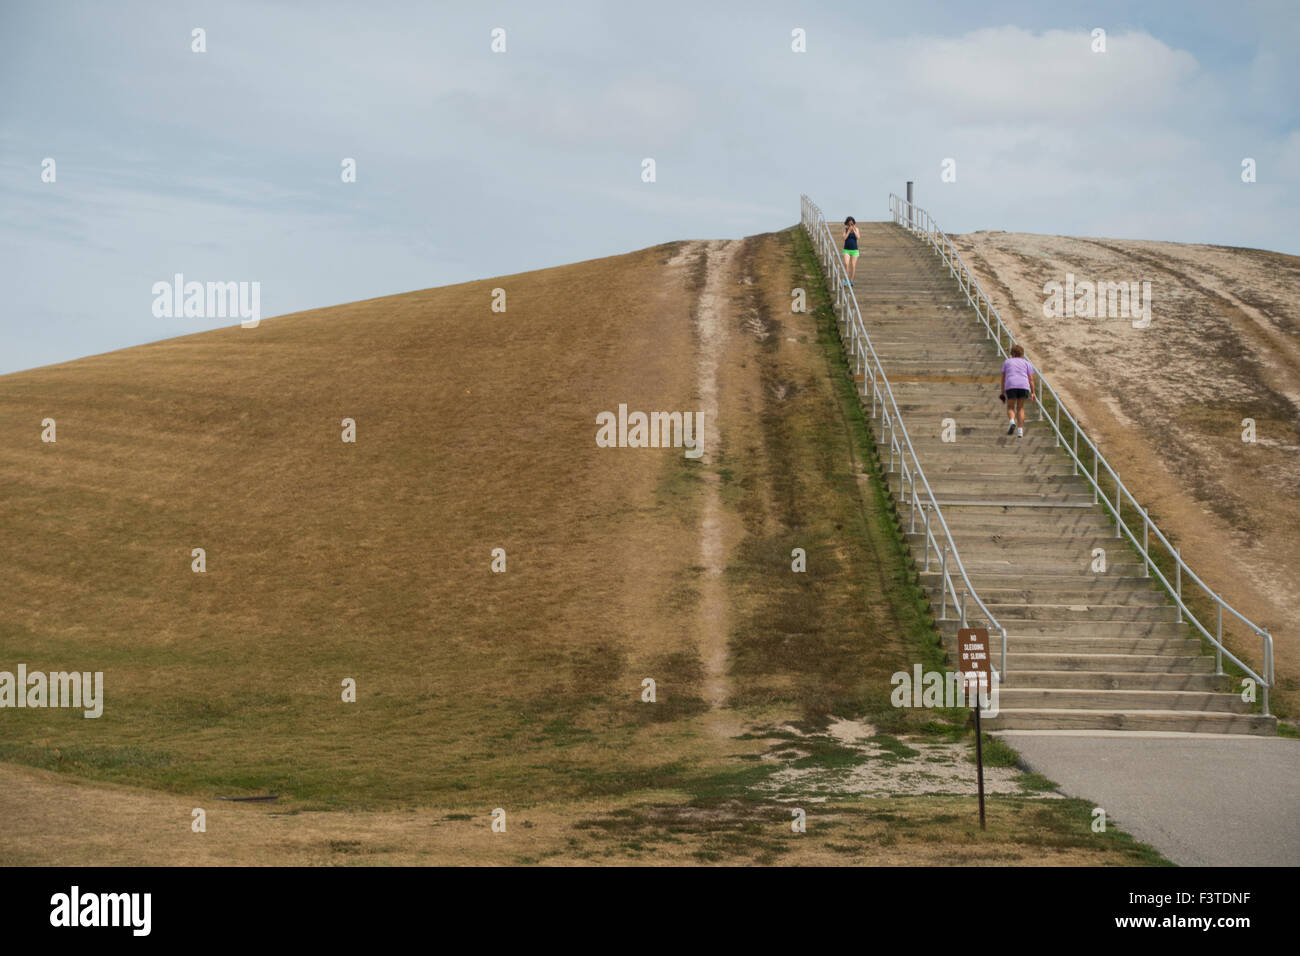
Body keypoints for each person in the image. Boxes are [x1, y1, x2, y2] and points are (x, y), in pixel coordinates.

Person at [1000, 344, 1037, 438]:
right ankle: (1020, 431)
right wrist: (1033, 392)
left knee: (1010, 407)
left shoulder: (1007, 362)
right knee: (1020, 408)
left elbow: (1003, 378)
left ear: (1012, 353)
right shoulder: (1026, 363)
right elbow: (1031, 379)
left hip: (1011, 385)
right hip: (1024, 386)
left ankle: (1012, 421)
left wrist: (1002, 392)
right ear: (1022, 353)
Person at [841, 217, 860, 286]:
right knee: (846, 264)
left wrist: (854, 230)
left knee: (853, 265)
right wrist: (848, 231)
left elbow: (858, 237)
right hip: (846, 250)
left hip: (855, 250)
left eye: (852, 223)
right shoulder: (845, 229)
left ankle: (851, 280)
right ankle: (846, 280)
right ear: (847, 223)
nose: (850, 225)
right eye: (849, 223)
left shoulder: (856, 229)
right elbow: (844, 238)